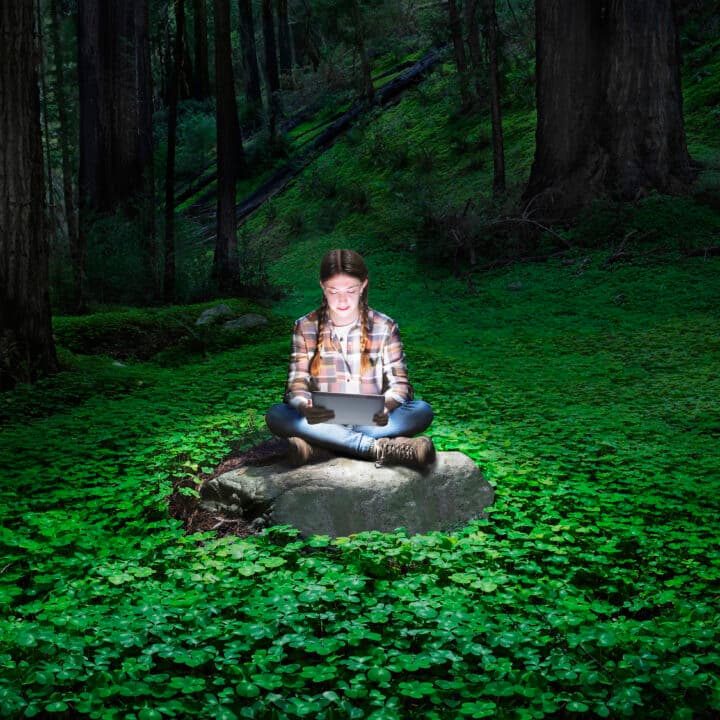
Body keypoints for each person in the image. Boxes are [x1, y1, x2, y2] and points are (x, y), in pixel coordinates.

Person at [265, 249, 435, 468]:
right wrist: (303, 405)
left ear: (363, 285)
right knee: (278, 415)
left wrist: (385, 406)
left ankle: (320, 446)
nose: (342, 300)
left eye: (350, 290)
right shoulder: (304, 326)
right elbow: (296, 385)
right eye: (333, 291)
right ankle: (374, 448)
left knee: (421, 411)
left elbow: (400, 386)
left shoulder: (385, 326)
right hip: (323, 417)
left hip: (372, 419)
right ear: (322, 287)